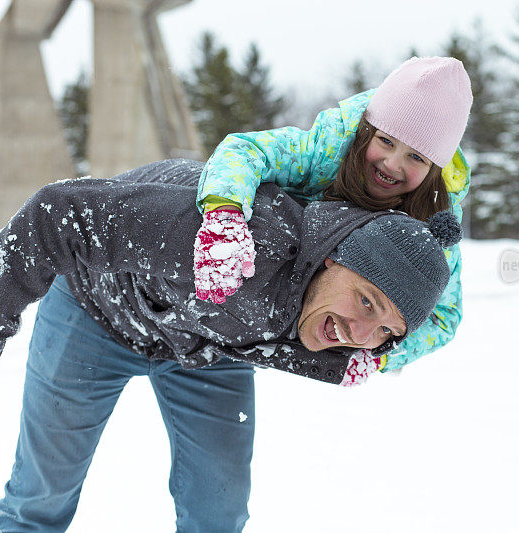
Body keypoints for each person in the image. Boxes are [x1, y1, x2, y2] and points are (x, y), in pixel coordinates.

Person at [0, 158, 460, 531]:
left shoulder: (340, 337)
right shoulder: (237, 239)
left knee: (218, 510)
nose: (361, 336)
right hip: (96, 312)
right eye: (366, 302)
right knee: (41, 495)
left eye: (387, 329)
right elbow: (54, 214)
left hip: (208, 349)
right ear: (333, 259)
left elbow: (349, 340)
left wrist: (346, 360)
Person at [193, 56, 474, 372]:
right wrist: (225, 215)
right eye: (385, 141)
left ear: (433, 169)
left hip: (255, 336)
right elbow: (245, 151)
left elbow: (444, 317)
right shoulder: (324, 153)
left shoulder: (429, 227)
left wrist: (378, 354)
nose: (393, 164)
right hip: (236, 292)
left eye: (416, 157)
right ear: (367, 131)